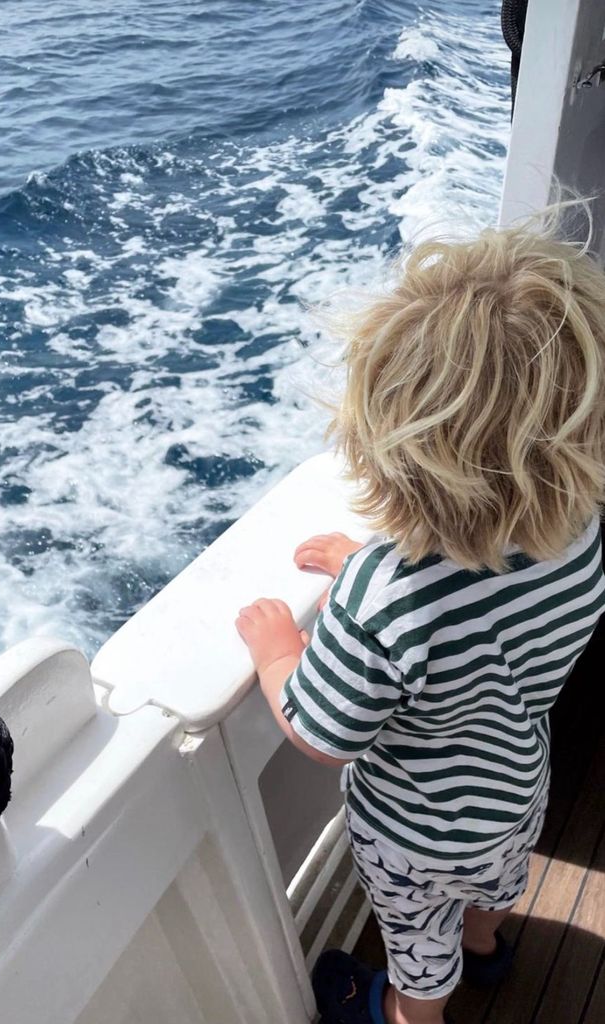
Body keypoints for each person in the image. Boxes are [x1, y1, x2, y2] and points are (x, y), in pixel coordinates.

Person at [235, 214, 605, 1024]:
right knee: (494, 887)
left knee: (415, 960)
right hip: (515, 790)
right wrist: (365, 566)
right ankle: (487, 950)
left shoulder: (382, 592)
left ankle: (412, 1010)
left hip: (415, 836)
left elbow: (321, 732)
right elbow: (483, 599)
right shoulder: (578, 534)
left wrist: (278, 650)